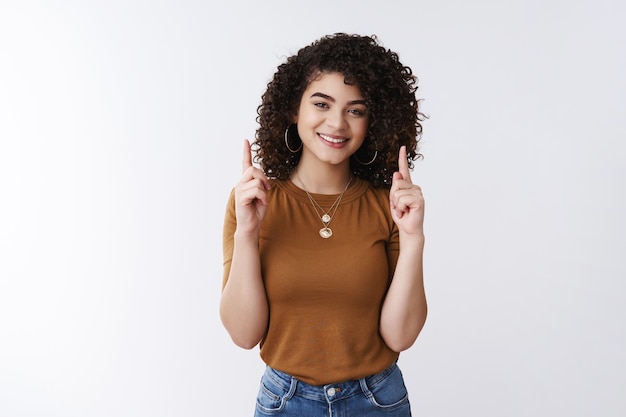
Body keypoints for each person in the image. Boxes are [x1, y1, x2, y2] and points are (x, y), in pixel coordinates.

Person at [220, 33, 427, 417]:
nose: (337, 123)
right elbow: (244, 334)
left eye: (356, 110)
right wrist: (247, 234)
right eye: (322, 103)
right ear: (294, 110)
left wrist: (413, 239)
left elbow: (400, 336)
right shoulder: (255, 201)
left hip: (377, 401)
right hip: (285, 402)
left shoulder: (390, 207)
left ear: (372, 121)